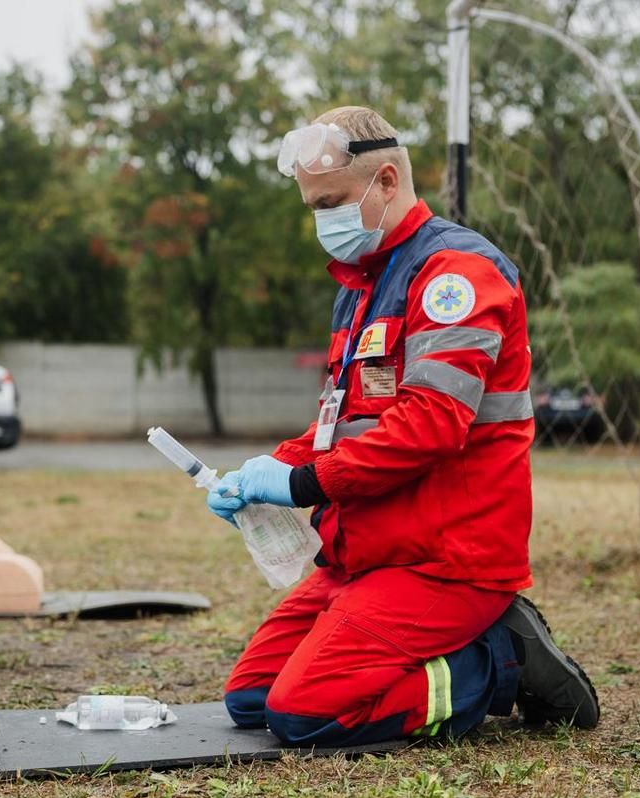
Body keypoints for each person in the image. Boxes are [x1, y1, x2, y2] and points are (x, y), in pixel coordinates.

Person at [208, 106, 598, 747]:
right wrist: (263, 473)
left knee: (302, 715)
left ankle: (497, 660)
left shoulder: (457, 274)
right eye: (312, 205)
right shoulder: (361, 285)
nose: (321, 220)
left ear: (386, 180)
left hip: (446, 561)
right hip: (366, 555)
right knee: (249, 699)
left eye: (330, 200)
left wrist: (302, 483)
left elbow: (430, 425)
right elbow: (342, 422)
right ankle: (462, 649)